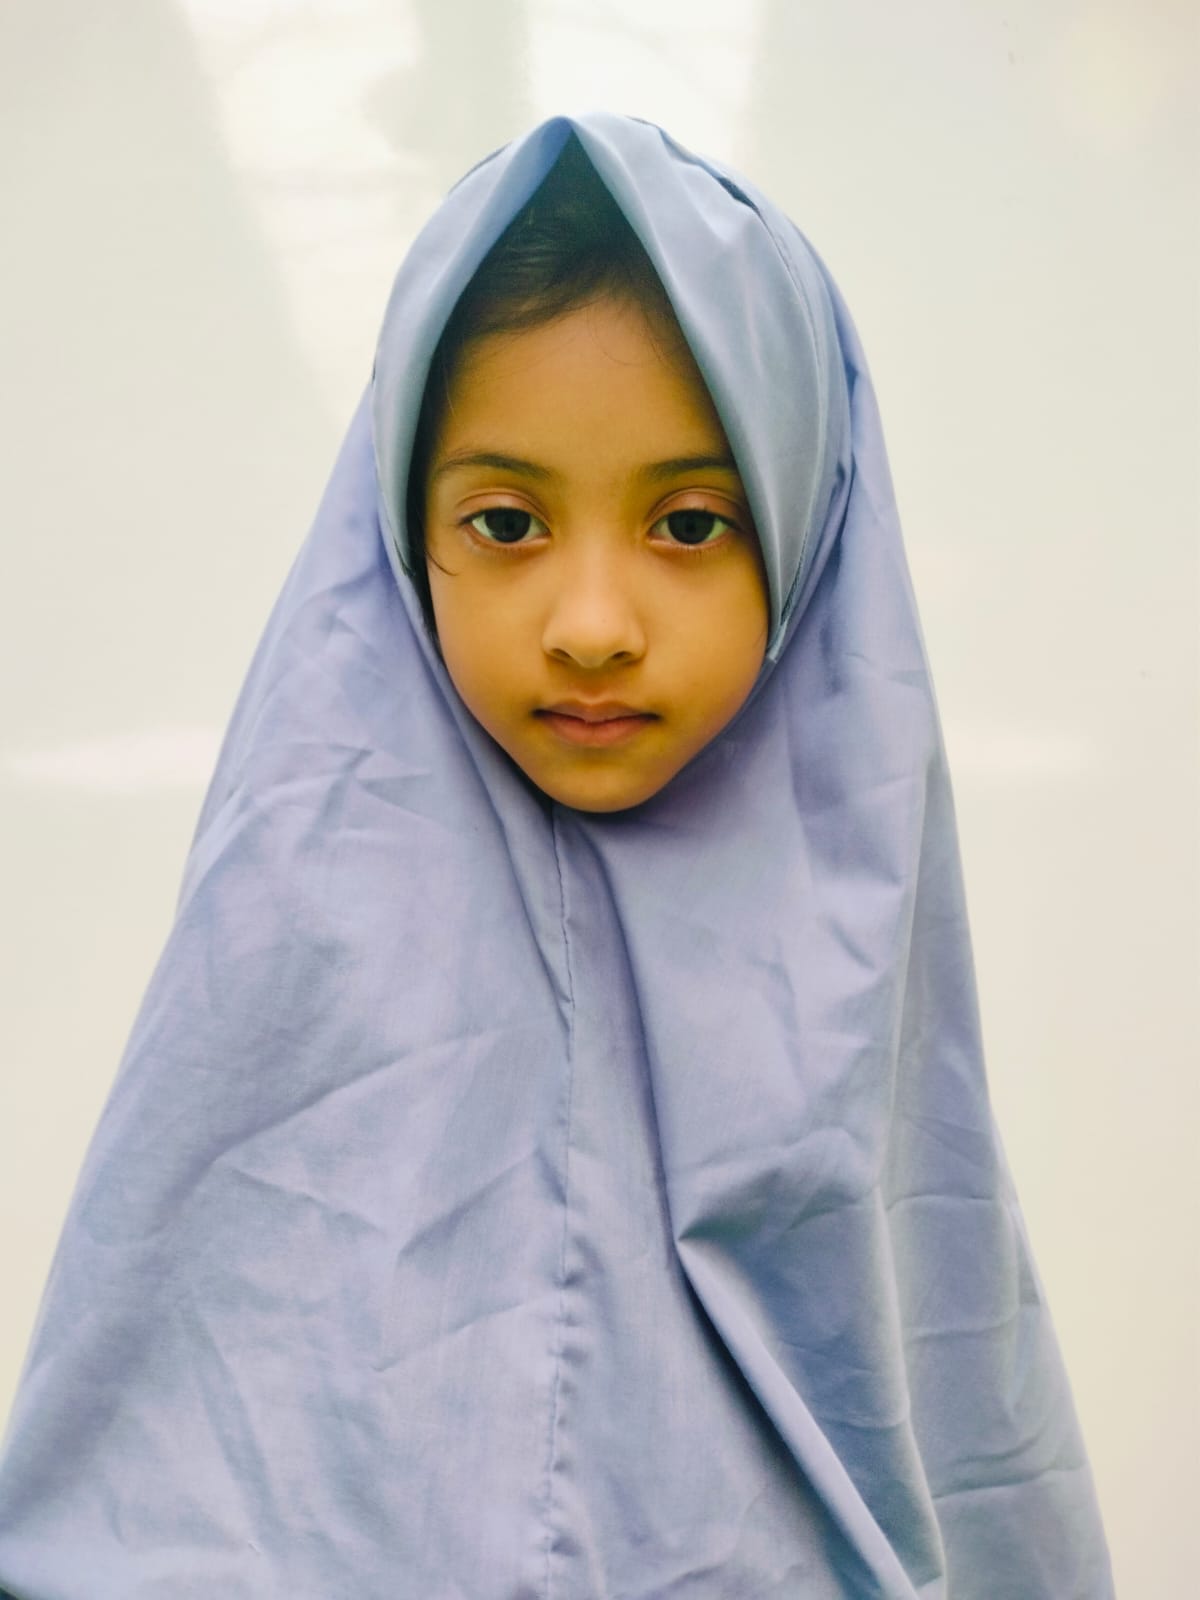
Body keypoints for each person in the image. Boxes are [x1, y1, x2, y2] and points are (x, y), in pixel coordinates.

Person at [0, 113, 1115, 1598]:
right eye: (508, 521)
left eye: (693, 522)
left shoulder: (858, 947)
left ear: (807, 526)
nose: (592, 624)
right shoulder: (289, 929)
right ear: (403, 530)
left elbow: (964, 1450)